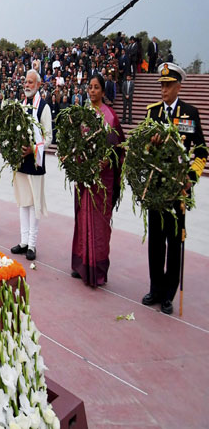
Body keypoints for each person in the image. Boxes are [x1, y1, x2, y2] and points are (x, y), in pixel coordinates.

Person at [142, 63, 207, 315]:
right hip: (156, 189)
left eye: (168, 85)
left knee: (174, 240)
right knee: (156, 241)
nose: (164, 89)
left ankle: (169, 293)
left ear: (178, 86)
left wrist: (191, 176)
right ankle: (155, 288)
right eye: (162, 84)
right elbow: (144, 150)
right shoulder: (153, 113)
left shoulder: (189, 113)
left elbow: (201, 151)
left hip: (178, 191)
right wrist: (150, 146)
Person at [71, 74, 125, 287]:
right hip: (84, 177)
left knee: (99, 224)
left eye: (96, 87)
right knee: (82, 218)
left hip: (102, 181)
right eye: (90, 87)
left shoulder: (110, 117)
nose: (92, 91)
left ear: (103, 91)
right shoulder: (82, 115)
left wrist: (106, 161)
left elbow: (119, 149)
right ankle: (81, 264)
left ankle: (98, 270)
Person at [10, 69, 52, 261]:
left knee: (34, 202)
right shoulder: (20, 105)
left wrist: (33, 149)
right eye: (25, 82)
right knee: (23, 201)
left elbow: (49, 137)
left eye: (31, 82)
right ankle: (23, 240)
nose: (27, 85)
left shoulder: (43, 107)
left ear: (38, 85)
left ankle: (33, 245)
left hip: (35, 160)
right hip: (20, 159)